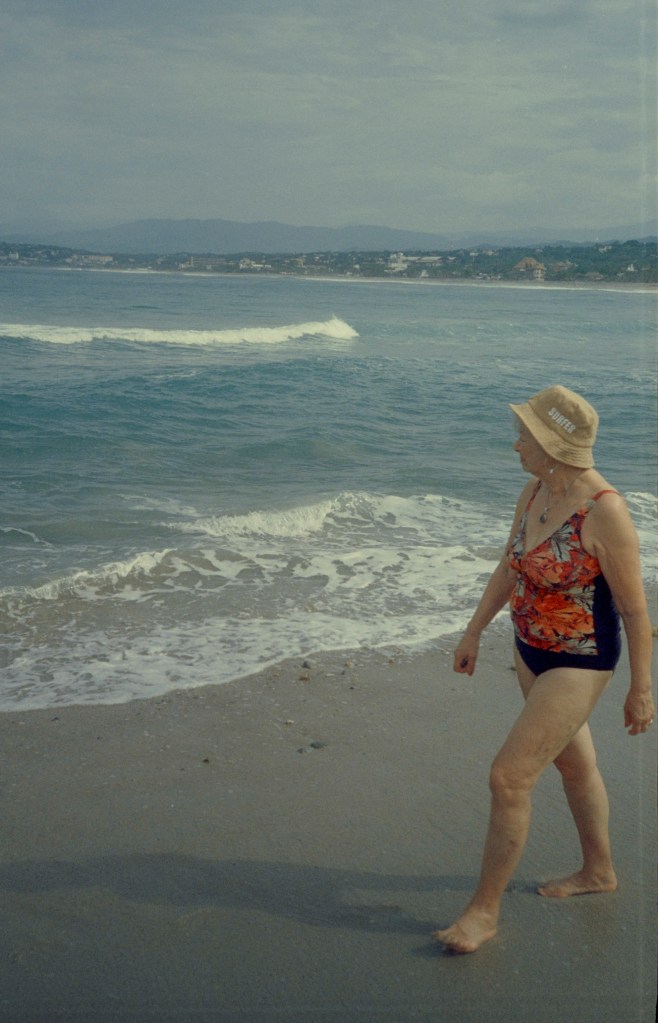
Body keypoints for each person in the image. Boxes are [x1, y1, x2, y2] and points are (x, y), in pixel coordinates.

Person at [434, 384, 655, 954]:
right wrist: (474, 631)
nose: (516, 445)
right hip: (528, 648)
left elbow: (634, 610)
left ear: (555, 445)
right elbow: (509, 568)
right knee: (575, 766)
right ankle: (598, 871)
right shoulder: (534, 491)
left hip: (580, 659)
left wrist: (641, 688)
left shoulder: (604, 510)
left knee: (509, 778)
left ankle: (483, 913)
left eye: (525, 436)